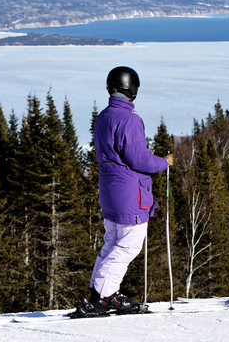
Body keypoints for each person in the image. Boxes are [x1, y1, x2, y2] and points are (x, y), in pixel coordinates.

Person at [84, 66, 173, 315]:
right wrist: (164, 162)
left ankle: (98, 291)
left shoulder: (104, 116)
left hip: (109, 189)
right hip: (129, 192)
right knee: (128, 245)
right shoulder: (130, 119)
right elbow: (139, 159)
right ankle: (105, 296)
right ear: (132, 88)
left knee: (112, 241)